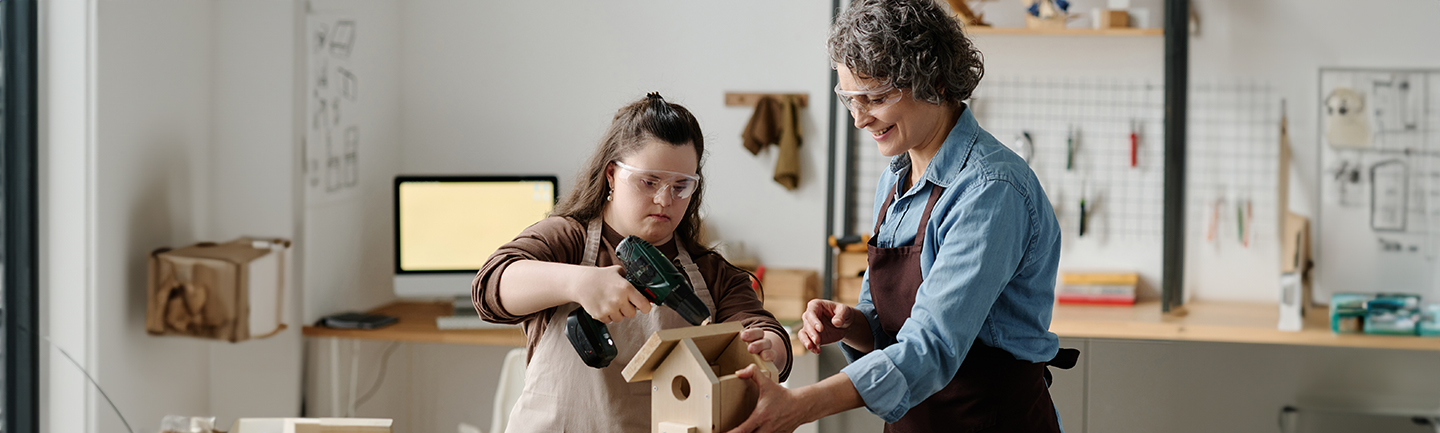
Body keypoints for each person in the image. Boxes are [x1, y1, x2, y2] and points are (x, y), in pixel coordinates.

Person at [726, 1, 1073, 432]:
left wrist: (801, 405)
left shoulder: (990, 190)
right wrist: (853, 325)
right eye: (850, 98)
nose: (859, 119)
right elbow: (892, 329)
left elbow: (931, 345)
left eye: (876, 98)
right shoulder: (896, 180)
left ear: (936, 82)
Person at [473, 92, 793, 433]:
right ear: (612, 175)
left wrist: (768, 347)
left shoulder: (712, 273)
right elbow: (490, 286)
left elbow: (768, 334)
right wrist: (578, 283)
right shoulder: (567, 240)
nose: (664, 200)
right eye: (649, 181)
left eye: (681, 185)